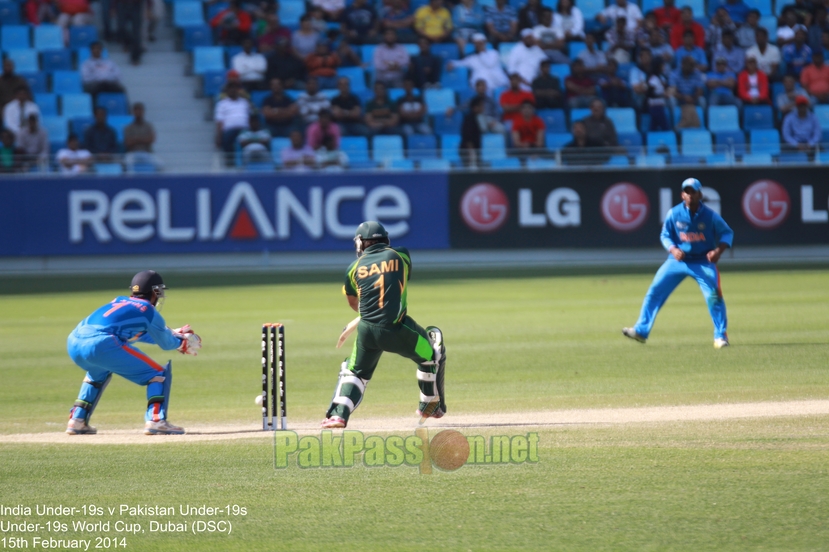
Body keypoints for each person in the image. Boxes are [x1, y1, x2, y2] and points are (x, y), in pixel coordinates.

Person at [321, 221, 445, 429]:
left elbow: (354, 303)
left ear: (361, 243)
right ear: (385, 239)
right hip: (396, 328)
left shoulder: (353, 269)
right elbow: (398, 283)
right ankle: (428, 405)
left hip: (367, 330)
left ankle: (338, 416)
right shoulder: (402, 255)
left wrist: (370, 309)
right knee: (431, 353)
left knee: (354, 372)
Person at [65, 270, 200, 436]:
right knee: (157, 374)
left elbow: (134, 333)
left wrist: (172, 333)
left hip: (74, 342)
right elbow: (165, 343)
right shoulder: (148, 310)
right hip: (102, 343)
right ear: (155, 291)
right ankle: (156, 421)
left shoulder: (119, 301)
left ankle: (77, 420)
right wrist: (181, 342)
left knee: (97, 374)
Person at [623, 178, 734, 349]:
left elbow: (727, 233)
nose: (690, 195)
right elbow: (665, 235)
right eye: (687, 192)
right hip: (677, 261)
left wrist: (718, 251)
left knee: (714, 295)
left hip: (702, 261)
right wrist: (673, 249)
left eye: (693, 192)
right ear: (682, 195)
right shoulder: (674, 213)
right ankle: (641, 331)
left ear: (700, 194)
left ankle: (720, 337)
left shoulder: (710, 216)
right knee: (655, 291)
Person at [214, 81, 251, 164]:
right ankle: (230, 162)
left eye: (234, 88)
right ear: (226, 91)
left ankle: (246, 162)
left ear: (237, 90)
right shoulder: (222, 104)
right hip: (230, 129)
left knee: (250, 139)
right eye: (230, 88)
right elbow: (219, 121)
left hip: (244, 129)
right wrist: (218, 137)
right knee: (226, 139)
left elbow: (251, 116)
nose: (232, 90)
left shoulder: (244, 102)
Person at [123, 102, 161, 171]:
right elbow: (128, 143)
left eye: (140, 110)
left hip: (147, 152)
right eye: (136, 110)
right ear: (133, 112)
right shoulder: (128, 127)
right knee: (126, 163)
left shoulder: (149, 126)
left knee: (160, 164)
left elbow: (151, 139)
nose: (138, 112)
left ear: (143, 111)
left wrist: (135, 140)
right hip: (133, 153)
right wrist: (144, 139)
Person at [460, 96, 484, 165]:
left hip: (477, 150)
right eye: (481, 106)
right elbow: (467, 137)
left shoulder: (480, 118)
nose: (483, 108)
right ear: (475, 108)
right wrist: (471, 153)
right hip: (469, 151)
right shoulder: (469, 120)